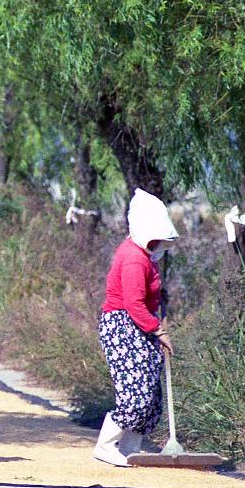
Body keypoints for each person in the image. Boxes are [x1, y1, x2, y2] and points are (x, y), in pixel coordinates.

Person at [94, 188, 179, 466]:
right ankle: (106, 446)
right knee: (135, 392)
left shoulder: (145, 255)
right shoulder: (132, 258)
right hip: (123, 327)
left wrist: (160, 301)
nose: (159, 245)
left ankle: (131, 449)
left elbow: (148, 294)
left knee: (151, 393)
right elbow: (133, 304)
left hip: (140, 326)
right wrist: (160, 331)